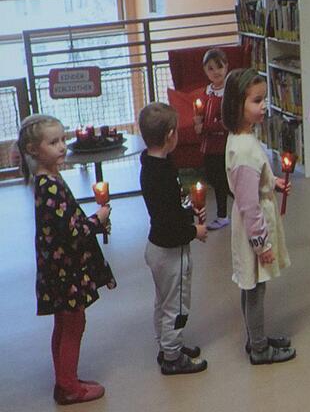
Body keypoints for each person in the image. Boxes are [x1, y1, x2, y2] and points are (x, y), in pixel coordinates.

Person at [16, 114, 117, 405]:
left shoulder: (48, 179)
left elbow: (64, 223)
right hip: (65, 269)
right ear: (34, 149)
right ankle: (69, 386)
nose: (62, 146)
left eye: (63, 139)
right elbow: (70, 231)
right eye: (53, 142)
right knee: (73, 323)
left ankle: (65, 379)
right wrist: (97, 221)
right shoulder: (50, 185)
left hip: (59, 267)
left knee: (65, 323)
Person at [221, 68, 295, 364]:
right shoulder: (244, 151)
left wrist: (272, 182)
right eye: (256, 100)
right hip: (254, 226)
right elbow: (249, 205)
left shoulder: (243, 139)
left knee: (249, 282)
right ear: (238, 105)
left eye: (264, 99)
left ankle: (256, 337)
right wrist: (261, 244)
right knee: (255, 287)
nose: (263, 106)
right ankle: (260, 347)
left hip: (250, 220)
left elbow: (251, 183)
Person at [139, 102, 209, 375]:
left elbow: (167, 207)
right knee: (177, 305)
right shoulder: (161, 173)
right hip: (170, 251)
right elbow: (169, 223)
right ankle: (172, 357)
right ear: (170, 135)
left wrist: (188, 208)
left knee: (163, 301)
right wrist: (195, 231)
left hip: (155, 248)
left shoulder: (154, 163)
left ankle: (168, 346)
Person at [193, 48, 232, 231]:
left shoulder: (229, 93)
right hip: (209, 146)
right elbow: (200, 113)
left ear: (226, 67)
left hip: (223, 146)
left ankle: (224, 215)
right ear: (205, 71)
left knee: (224, 180)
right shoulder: (206, 92)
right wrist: (198, 123)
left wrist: (206, 126)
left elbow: (226, 122)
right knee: (213, 178)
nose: (216, 72)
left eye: (219, 67)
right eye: (211, 68)